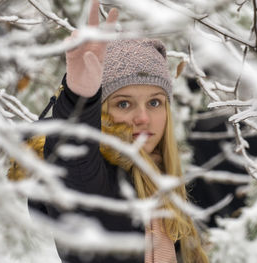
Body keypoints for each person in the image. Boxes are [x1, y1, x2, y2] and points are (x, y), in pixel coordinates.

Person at [37, 0, 209, 262]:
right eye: (124, 103)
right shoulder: (98, 183)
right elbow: (75, 160)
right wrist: (79, 99)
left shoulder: (167, 194)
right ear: (101, 112)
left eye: (154, 102)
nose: (142, 118)